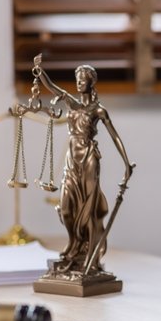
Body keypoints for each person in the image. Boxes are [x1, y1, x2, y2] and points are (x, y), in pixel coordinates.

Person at [36, 63, 135, 276]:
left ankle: (91, 255)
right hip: (72, 159)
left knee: (89, 209)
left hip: (89, 158)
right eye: (77, 78)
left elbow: (114, 135)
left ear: (91, 82)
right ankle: (74, 246)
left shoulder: (98, 110)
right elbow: (53, 88)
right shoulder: (73, 104)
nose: (79, 82)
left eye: (83, 79)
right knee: (65, 208)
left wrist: (126, 163)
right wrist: (41, 73)